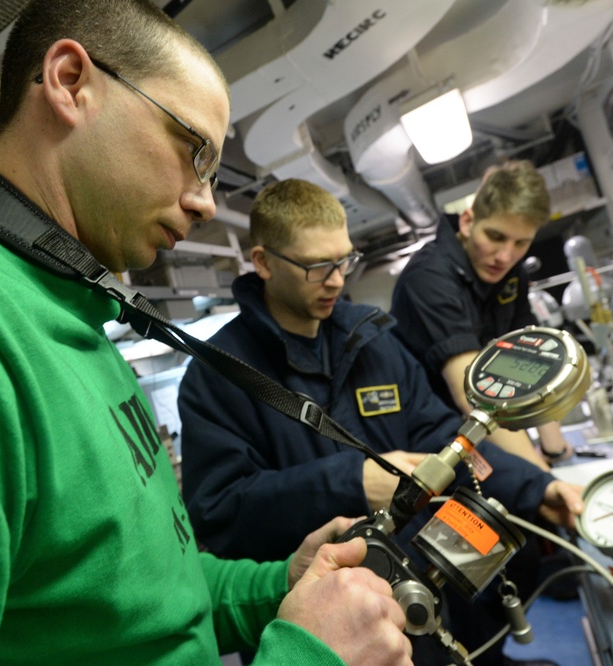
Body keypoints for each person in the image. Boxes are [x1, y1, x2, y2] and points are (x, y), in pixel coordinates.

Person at [0, 2, 414, 664]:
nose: (208, 202)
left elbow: (137, 595)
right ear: (70, 82)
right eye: (194, 151)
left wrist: (276, 588)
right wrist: (309, 657)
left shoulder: (78, 329)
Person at [178, 178, 584, 666]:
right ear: (263, 262)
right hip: (328, 633)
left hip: (427, 606)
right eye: (316, 266)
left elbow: (445, 438)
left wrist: (536, 488)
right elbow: (221, 514)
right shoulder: (219, 376)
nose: (335, 279)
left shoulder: (372, 340)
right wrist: (349, 483)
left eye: (344, 260)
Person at [391, 161, 575, 470]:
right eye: (495, 236)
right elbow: (474, 397)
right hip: (429, 438)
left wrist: (553, 450)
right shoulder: (429, 277)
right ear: (467, 221)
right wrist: (545, 481)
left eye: (521, 243)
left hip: (482, 430)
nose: (505, 256)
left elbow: (531, 360)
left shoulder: (509, 272)